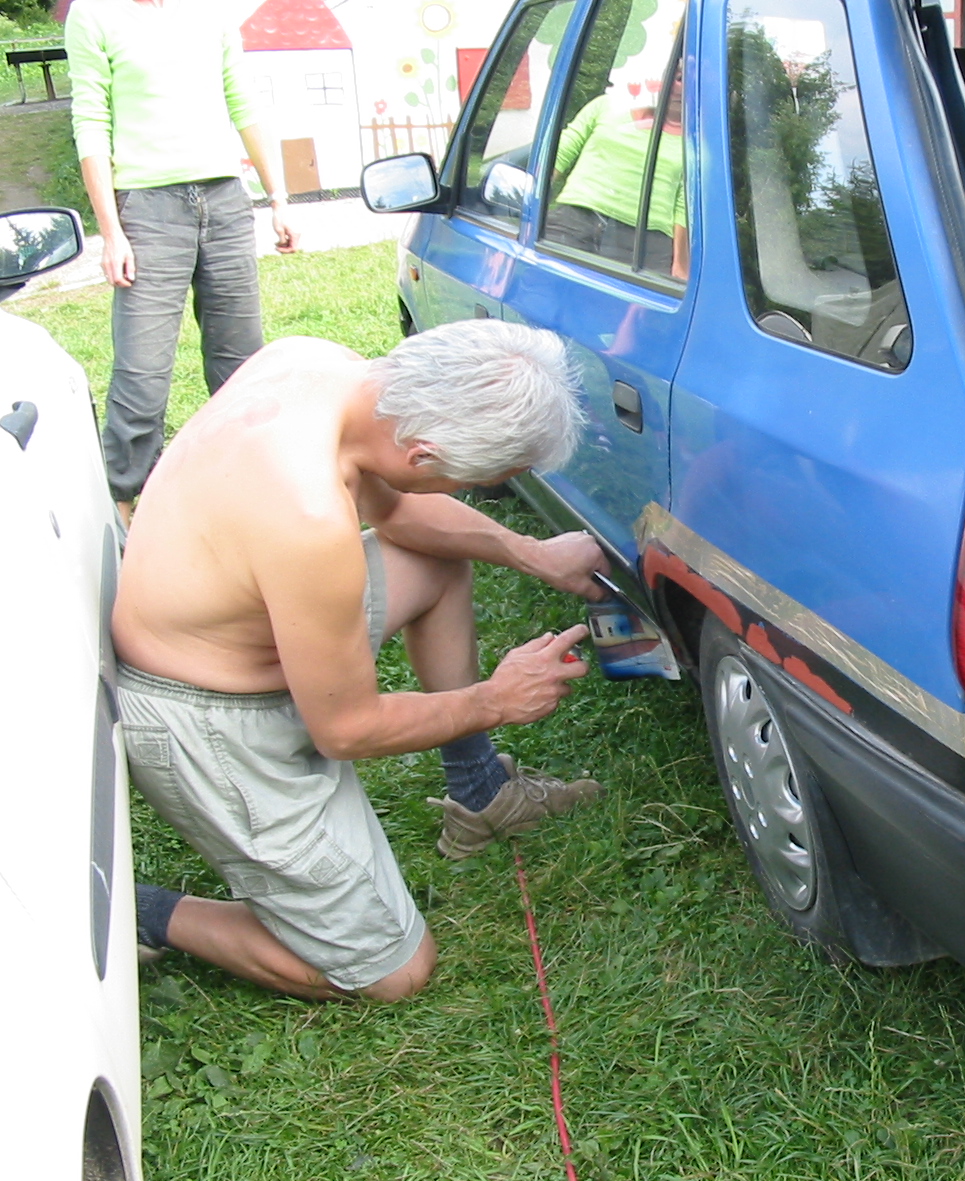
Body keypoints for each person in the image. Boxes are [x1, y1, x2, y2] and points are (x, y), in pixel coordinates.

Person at [115, 320, 609, 1002]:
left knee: (436, 560)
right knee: (390, 974)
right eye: (484, 479)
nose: (481, 489)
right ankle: (139, 911)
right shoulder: (306, 517)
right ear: (424, 453)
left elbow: (400, 511)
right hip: (207, 717)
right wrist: (495, 699)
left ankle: (479, 791)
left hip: (243, 624)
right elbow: (346, 730)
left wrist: (534, 553)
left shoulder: (319, 367)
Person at [64, 0, 302, 525]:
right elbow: (91, 121)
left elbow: (243, 102)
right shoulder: (93, 13)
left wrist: (278, 197)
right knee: (143, 372)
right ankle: (120, 510)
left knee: (241, 363)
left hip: (225, 201)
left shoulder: (210, 9)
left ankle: (251, 495)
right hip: (147, 211)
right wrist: (112, 233)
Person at [546, 74, 689, 279]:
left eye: (692, 80)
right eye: (679, 77)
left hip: (645, 247)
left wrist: (680, 264)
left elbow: (685, 204)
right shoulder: (607, 105)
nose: (682, 86)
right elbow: (560, 152)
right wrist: (529, 194)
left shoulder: (697, 144)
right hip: (574, 223)